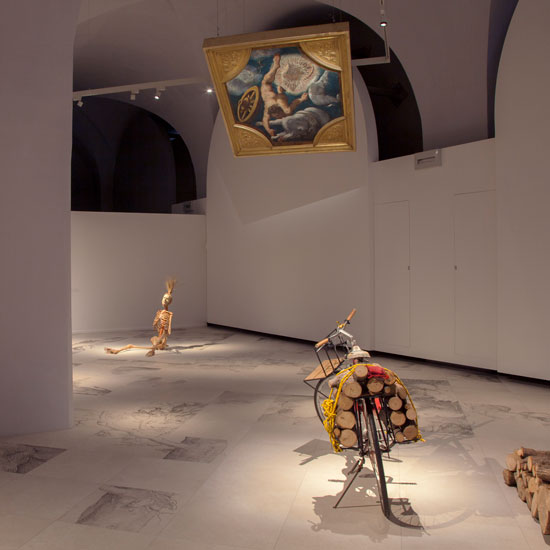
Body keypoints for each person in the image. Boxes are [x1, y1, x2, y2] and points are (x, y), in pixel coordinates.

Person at [260, 53, 308, 137]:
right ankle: (280, 90)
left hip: (278, 97)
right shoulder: (270, 110)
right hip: (276, 97)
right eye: (276, 116)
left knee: (265, 82)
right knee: (266, 83)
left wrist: (301, 99)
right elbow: (265, 120)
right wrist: (269, 130)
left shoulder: (284, 109)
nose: (277, 117)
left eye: (277, 116)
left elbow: (294, 103)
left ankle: (275, 66)